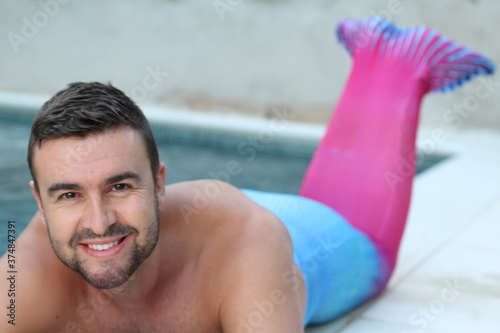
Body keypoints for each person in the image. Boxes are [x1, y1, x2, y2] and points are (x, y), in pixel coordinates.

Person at [0, 17, 494, 332]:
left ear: (160, 180)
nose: (99, 220)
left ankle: (398, 62)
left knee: (371, 249)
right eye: (68, 194)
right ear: (40, 204)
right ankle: (374, 51)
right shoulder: (25, 271)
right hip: (205, 217)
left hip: (297, 236)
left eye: (120, 185)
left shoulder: (248, 244)